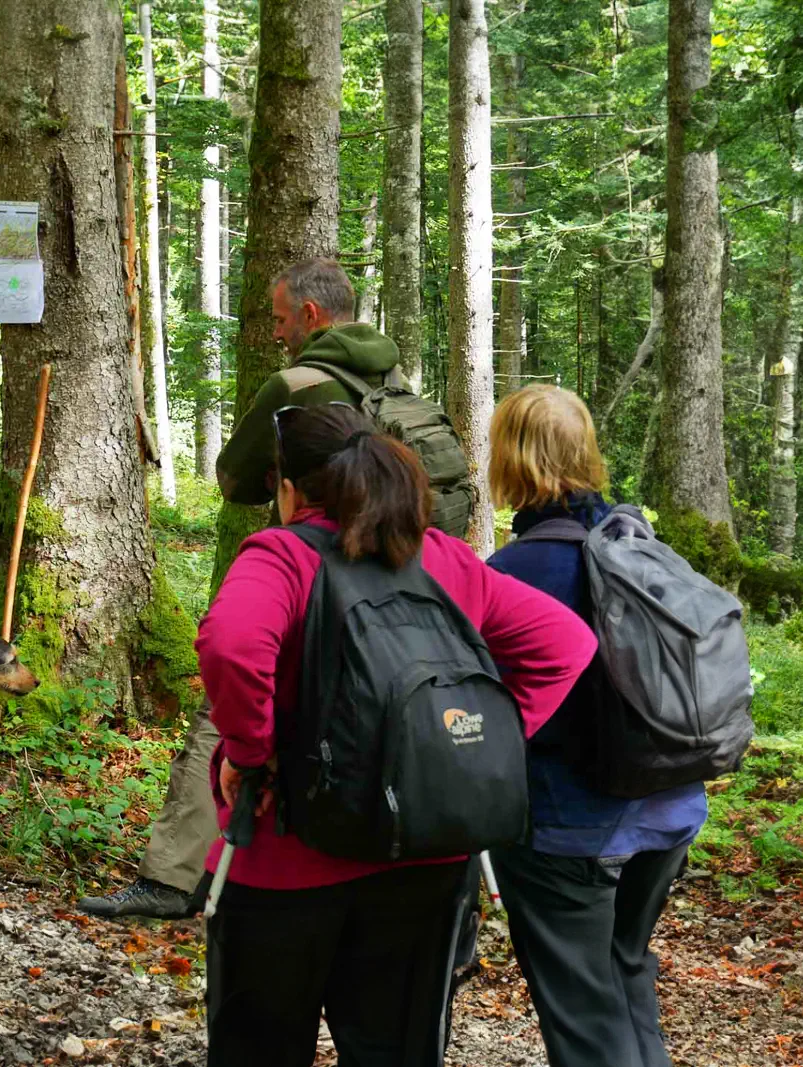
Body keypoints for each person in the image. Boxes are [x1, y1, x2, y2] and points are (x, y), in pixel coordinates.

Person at [198, 401, 595, 1066]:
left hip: (284, 861)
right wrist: (475, 749)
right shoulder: (443, 559)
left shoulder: (284, 556)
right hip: (423, 861)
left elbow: (233, 644)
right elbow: (565, 643)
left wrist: (251, 753)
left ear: (289, 488)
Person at [80, 257, 407, 919]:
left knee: (220, 717)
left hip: (313, 573)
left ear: (312, 316)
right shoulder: (397, 382)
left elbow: (233, 476)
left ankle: (173, 878)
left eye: (283, 319)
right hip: (400, 582)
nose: (279, 332)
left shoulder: (298, 382)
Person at [483, 385, 708, 1067]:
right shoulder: (643, 549)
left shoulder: (512, 573)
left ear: (510, 461)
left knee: (584, 1017)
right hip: (668, 808)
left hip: (570, 829)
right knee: (624, 976)